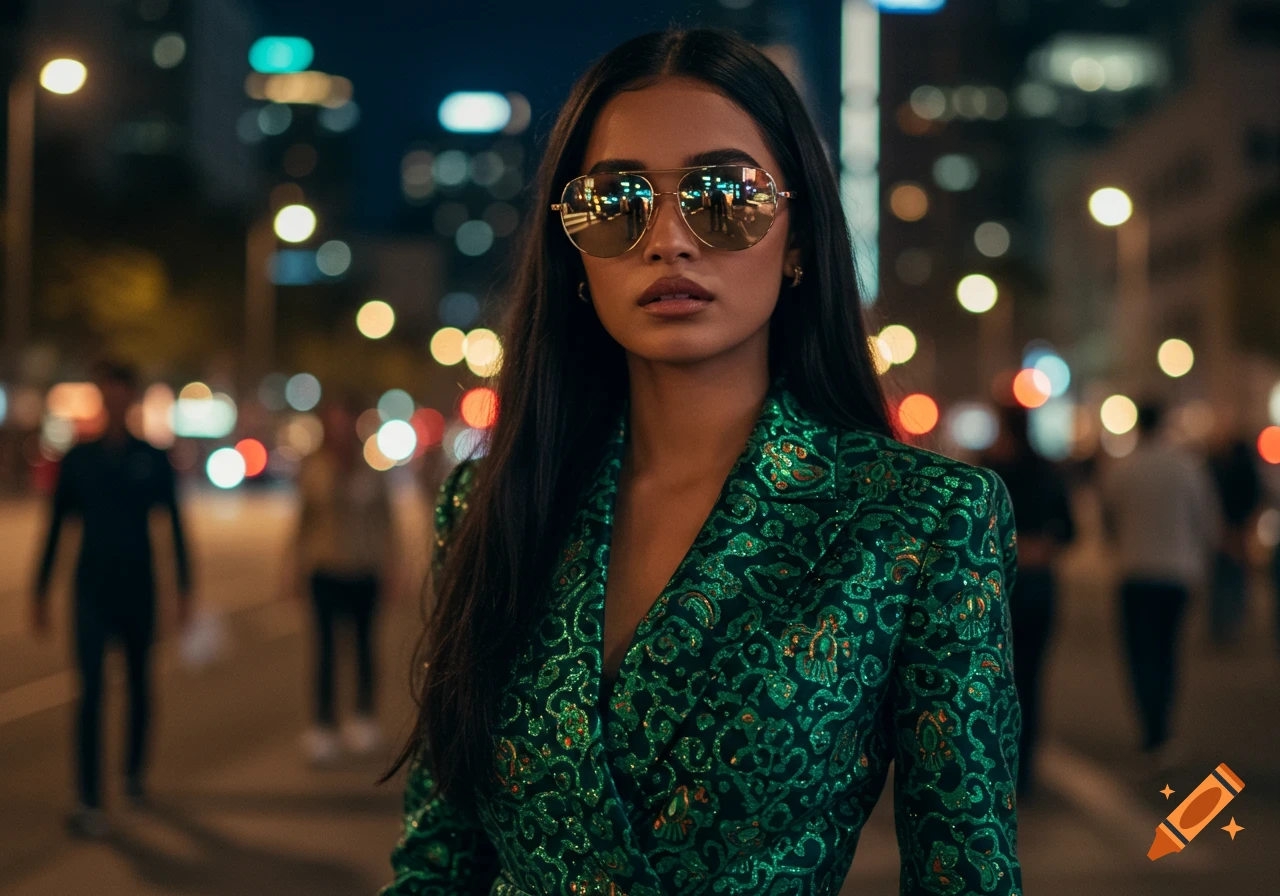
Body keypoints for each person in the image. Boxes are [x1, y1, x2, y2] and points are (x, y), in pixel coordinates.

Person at [381, 28, 1021, 895]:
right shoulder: (493, 502)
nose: (670, 241)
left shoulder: (917, 520)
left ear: (798, 239)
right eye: (618, 202)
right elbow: (439, 858)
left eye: (725, 196)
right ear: (574, 250)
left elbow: (966, 875)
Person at [31, 361, 193, 838]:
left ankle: (134, 777)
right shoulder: (78, 459)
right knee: (90, 693)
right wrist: (40, 591)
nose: (116, 401)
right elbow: (57, 526)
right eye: (110, 394)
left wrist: (184, 587)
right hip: (90, 589)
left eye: (124, 394)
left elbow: (175, 526)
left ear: (132, 398)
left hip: (139, 588)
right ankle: (88, 796)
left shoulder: (151, 457)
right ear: (102, 398)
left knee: (141, 685)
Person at [1100, 403, 1220, 772]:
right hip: (1177, 574)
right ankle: (1163, 730)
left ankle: (1149, 730)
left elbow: (1109, 522)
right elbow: (1207, 521)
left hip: (1135, 572)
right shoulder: (1188, 467)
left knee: (1139, 656)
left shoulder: (1123, 469)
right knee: (1168, 653)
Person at [288, 395, 399, 765]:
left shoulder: (373, 470)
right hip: (325, 570)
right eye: (332, 422)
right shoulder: (314, 468)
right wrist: (292, 567)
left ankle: (363, 717)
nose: (339, 430)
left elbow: (387, 521)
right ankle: (323, 725)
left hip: (364, 571)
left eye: (344, 421)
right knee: (324, 652)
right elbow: (302, 520)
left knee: (365, 648)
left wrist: (394, 565)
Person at [982, 406, 1074, 798]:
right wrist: (1042, 545)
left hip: (1001, 587)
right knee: (1031, 679)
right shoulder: (1049, 472)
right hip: (1041, 584)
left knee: (996, 678)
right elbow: (1070, 530)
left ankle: (1000, 766)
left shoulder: (989, 474)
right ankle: (1026, 769)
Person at [1207, 438, 1261, 647]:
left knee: (1222, 579)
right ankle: (1233, 624)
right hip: (1238, 530)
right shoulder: (1246, 472)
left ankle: (1220, 626)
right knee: (1236, 578)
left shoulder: (1219, 469)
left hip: (1225, 529)